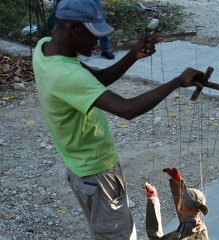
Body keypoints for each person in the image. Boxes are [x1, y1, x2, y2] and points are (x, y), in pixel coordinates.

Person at [32, 0, 205, 239]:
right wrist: (177, 81)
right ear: (72, 27)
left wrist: (133, 55)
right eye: (94, 35)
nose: (98, 42)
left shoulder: (46, 49)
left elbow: (96, 80)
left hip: (82, 169)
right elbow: (128, 109)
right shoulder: (67, 75)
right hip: (98, 173)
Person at [143, 168, 209, 240]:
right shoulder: (202, 228)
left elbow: (154, 238)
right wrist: (178, 182)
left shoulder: (178, 236)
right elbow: (190, 205)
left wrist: (153, 200)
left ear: (180, 207)